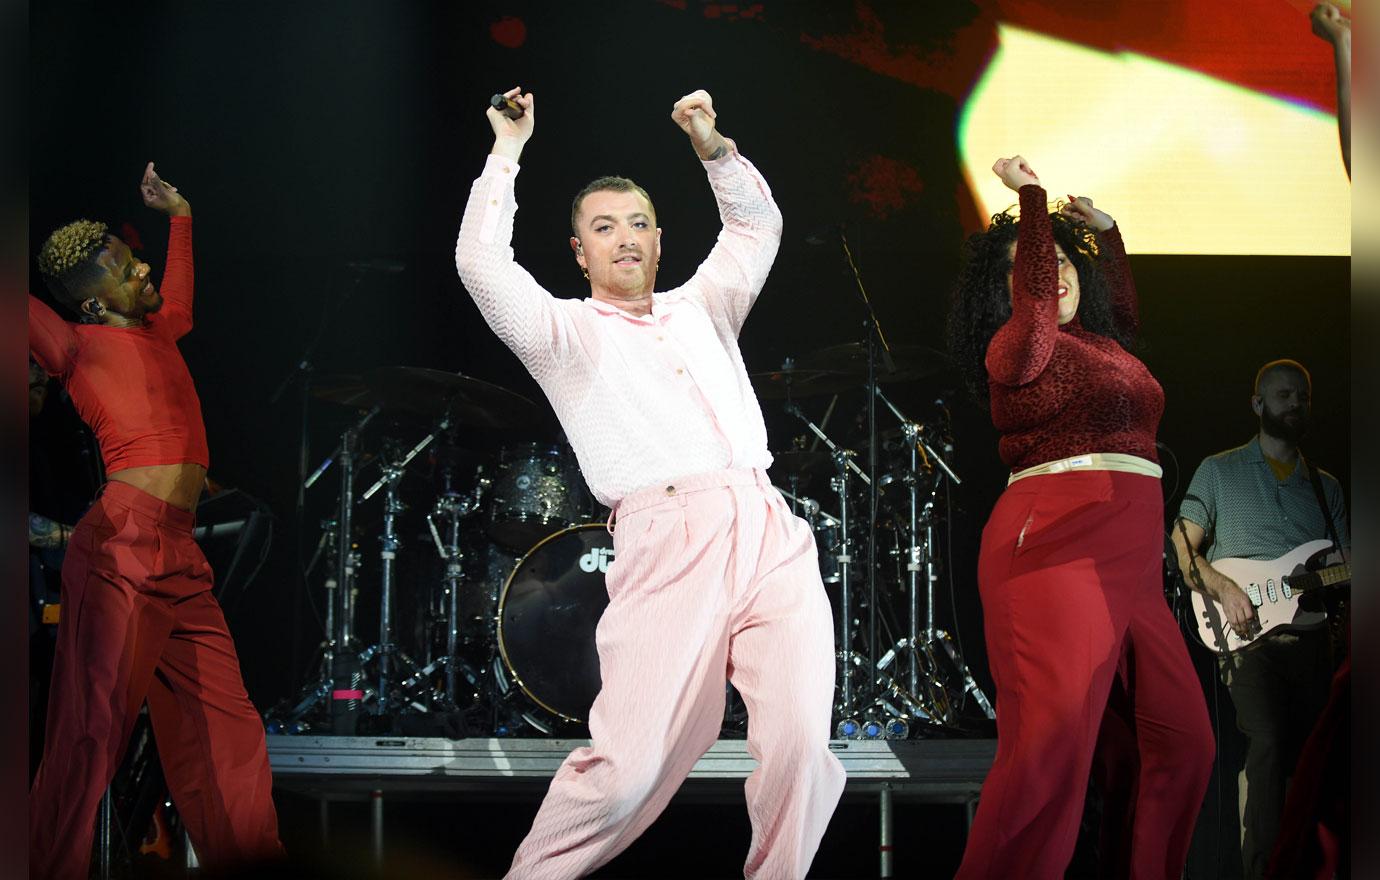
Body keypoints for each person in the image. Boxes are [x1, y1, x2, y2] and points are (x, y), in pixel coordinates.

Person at [455, 87, 844, 879]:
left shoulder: (705, 306)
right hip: (667, 542)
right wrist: (506, 150)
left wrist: (712, 148)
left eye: (637, 224)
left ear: (660, 240)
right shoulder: (562, 333)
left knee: (803, 747)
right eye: (604, 228)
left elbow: (755, 226)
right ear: (579, 252)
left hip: (767, 525)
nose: (624, 240)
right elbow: (481, 264)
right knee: (628, 770)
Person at [945, 155, 1214, 879]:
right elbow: (1033, 305)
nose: (1053, 273)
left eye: (1065, 263)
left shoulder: (1103, 344)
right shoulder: (1016, 348)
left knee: (1183, 744)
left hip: (1130, 565)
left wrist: (1110, 233)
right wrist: (1031, 202)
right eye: (1037, 264)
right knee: (1047, 760)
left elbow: (1121, 308)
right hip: (1054, 548)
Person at [29, 163, 283, 878]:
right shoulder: (74, 346)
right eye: (121, 267)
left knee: (226, 728)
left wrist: (182, 218)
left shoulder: (161, 331)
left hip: (180, 557)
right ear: (91, 301)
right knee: (90, 735)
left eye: (133, 256)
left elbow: (183, 301)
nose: (138, 268)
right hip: (121, 548)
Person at [1171, 358, 1348, 880]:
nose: (1295, 404)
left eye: (1303, 396)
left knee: (1314, 758)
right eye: (1284, 395)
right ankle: (1264, 870)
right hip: (1246, 639)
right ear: (1258, 404)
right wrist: (1223, 587)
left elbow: (1343, 563)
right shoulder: (1219, 470)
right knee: (1268, 737)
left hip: (1314, 638)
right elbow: (1183, 548)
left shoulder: (1326, 486)